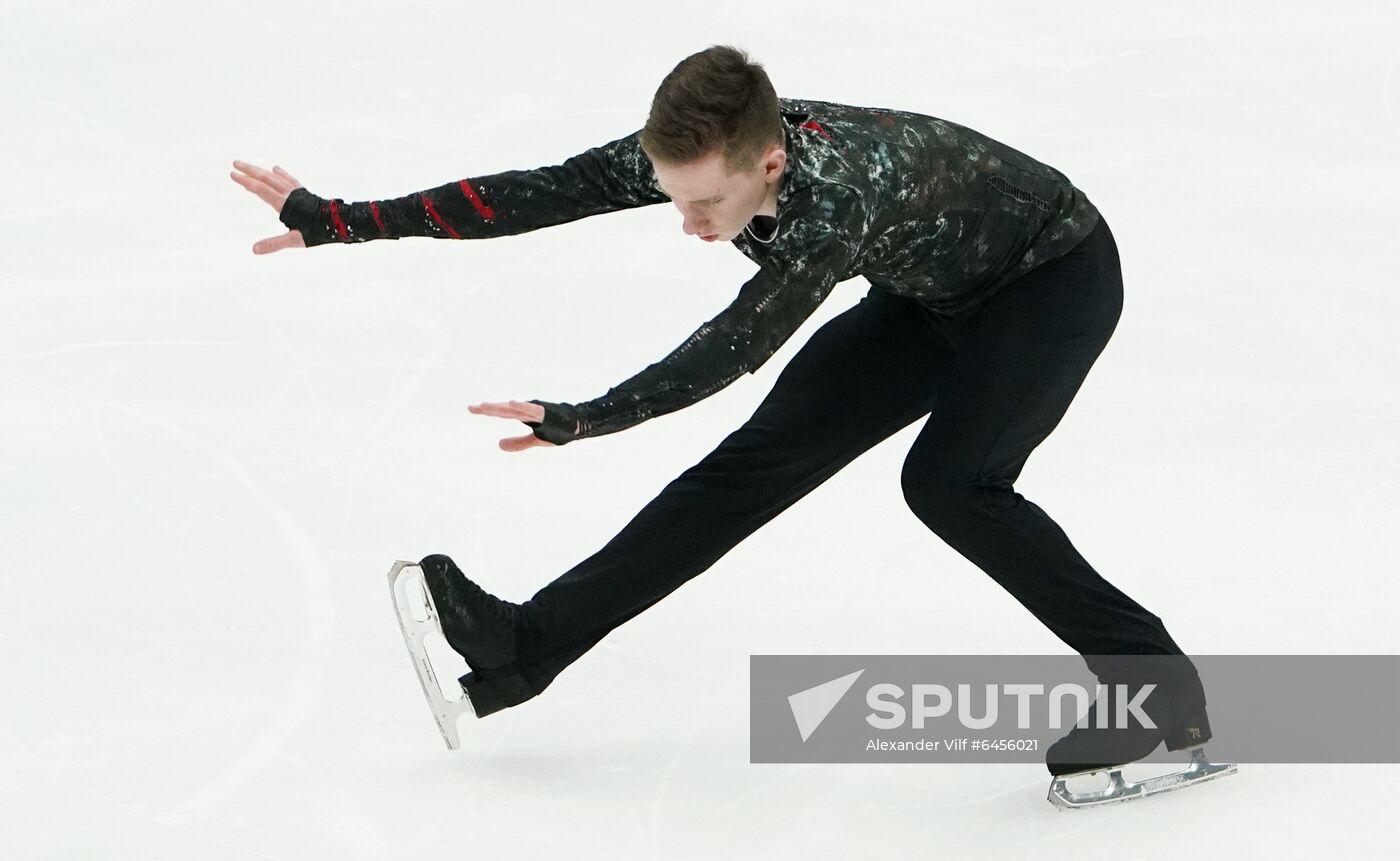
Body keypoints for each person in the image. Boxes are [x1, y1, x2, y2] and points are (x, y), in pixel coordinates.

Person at [231, 44, 1213, 773]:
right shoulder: (695, 155)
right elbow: (536, 193)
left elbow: (735, 343)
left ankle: (1156, 690)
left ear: (768, 163)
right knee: (746, 470)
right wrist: (345, 222)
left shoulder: (832, 200)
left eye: (707, 204)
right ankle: (525, 647)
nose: (691, 226)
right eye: (671, 199)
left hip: (1047, 280)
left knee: (950, 485)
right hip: (929, 294)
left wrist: (588, 417)